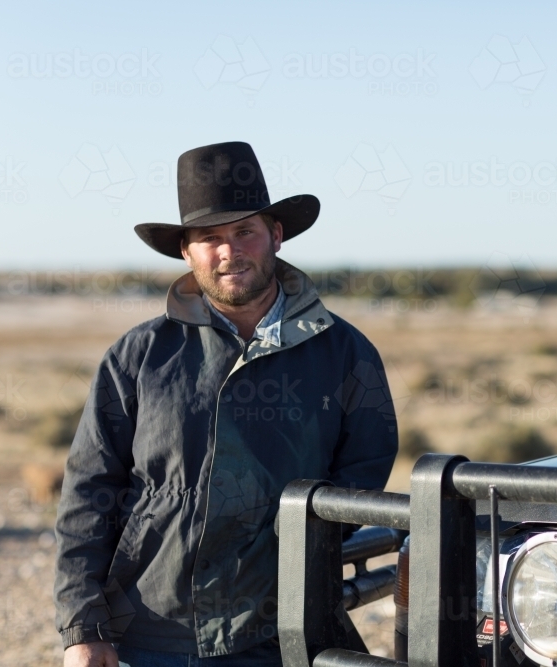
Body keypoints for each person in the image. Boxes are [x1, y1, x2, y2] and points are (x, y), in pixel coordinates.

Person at [54, 142, 399, 667]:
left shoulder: (345, 353)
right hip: (150, 631)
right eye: (209, 238)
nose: (228, 251)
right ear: (186, 253)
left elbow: (362, 478)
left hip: (280, 632)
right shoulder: (138, 355)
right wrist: (83, 625)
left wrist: (288, 546)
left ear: (275, 236)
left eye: (244, 233)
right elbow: (88, 491)